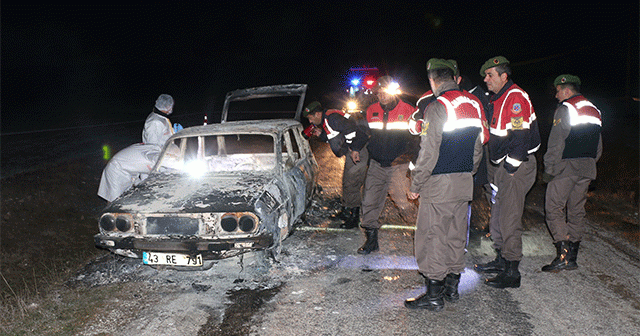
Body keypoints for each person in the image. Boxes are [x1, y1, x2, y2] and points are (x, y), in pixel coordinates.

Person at [404, 59, 486, 311]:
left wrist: (416, 183)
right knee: (455, 234)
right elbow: (478, 145)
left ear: (432, 80)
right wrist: (468, 172)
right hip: (463, 181)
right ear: (455, 77)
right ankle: (452, 288)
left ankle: (434, 295)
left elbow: (429, 151)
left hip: (439, 183)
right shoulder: (473, 103)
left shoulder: (438, 106)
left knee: (432, 237)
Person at [473, 56, 541, 289]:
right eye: (485, 75)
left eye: (490, 75)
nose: (485, 79)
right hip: (503, 165)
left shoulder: (515, 98)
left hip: (515, 167)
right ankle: (501, 260)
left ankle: (512, 271)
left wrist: (511, 167)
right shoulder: (498, 98)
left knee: (510, 217)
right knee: (499, 214)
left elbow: (520, 137)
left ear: (504, 76)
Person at [541, 74, 602, 272]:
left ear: (566, 90)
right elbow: (599, 145)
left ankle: (562, 256)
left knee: (553, 208)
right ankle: (573, 257)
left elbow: (556, 142)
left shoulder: (566, 109)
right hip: (587, 167)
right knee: (576, 210)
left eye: (558, 91)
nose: (556, 95)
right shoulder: (594, 110)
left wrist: (549, 169)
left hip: (566, 167)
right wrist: (590, 163)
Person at [358, 76, 415, 254]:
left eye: (386, 91)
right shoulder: (371, 110)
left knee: (405, 205)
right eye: (379, 91)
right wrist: (354, 148)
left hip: (399, 166)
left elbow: (416, 140)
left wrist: (410, 160)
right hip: (376, 165)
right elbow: (364, 133)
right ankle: (371, 241)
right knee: (369, 203)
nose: (382, 95)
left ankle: (421, 239)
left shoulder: (408, 110)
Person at [98, 94, 178, 202]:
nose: (172, 108)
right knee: (115, 202)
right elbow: (151, 149)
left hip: (131, 169)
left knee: (127, 200)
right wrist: (179, 165)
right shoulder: (154, 123)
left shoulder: (161, 119)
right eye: (171, 105)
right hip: (117, 171)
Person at [303, 101, 370, 229]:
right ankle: (345, 212)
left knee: (353, 183)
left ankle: (354, 218)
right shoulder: (326, 121)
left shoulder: (332, 118)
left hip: (358, 150)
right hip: (352, 150)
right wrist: (322, 135)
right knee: (346, 182)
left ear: (317, 114)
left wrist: (353, 148)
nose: (310, 121)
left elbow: (351, 129)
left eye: (311, 117)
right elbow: (336, 137)